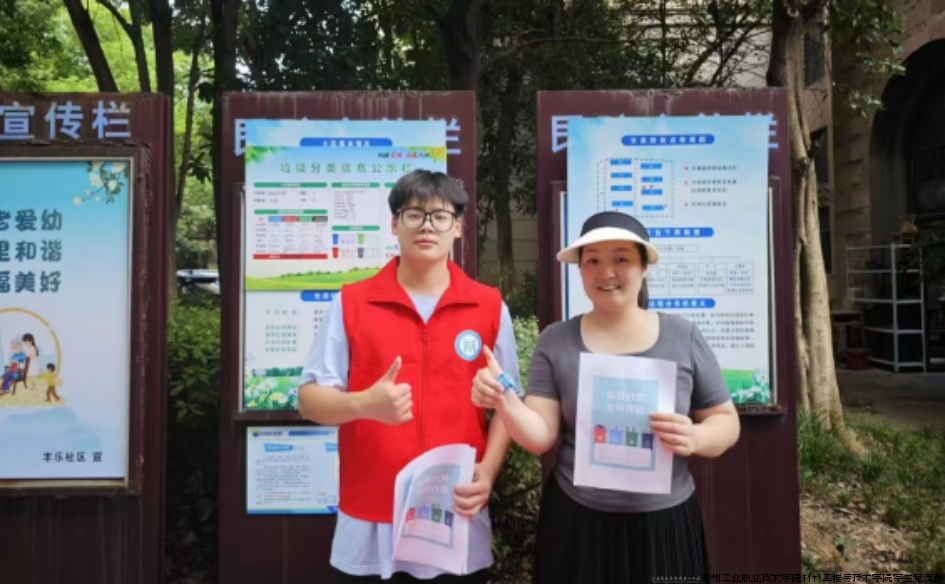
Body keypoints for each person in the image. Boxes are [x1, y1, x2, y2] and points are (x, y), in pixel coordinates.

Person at [472, 210, 741, 583]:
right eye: (593, 261)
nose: (606, 272)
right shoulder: (556, 341)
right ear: (580, 270)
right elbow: (540, 436)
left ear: (644, 267)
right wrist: (505, 402)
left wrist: (696, 436)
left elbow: (726, 422)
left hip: (664, 522)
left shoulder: (684, 337)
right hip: (576, 522)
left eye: (621, 259)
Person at [298, 169, 521, 584]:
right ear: (394, 224)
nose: (427, 226)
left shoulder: (489, 306)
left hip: (454, 508)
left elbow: (510, 404)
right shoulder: (352, 303)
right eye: (414, 215)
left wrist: (488, 471)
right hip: (371, 515)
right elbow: (309, 400)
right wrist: (364, 403)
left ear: (458, 227)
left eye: (440, 216)